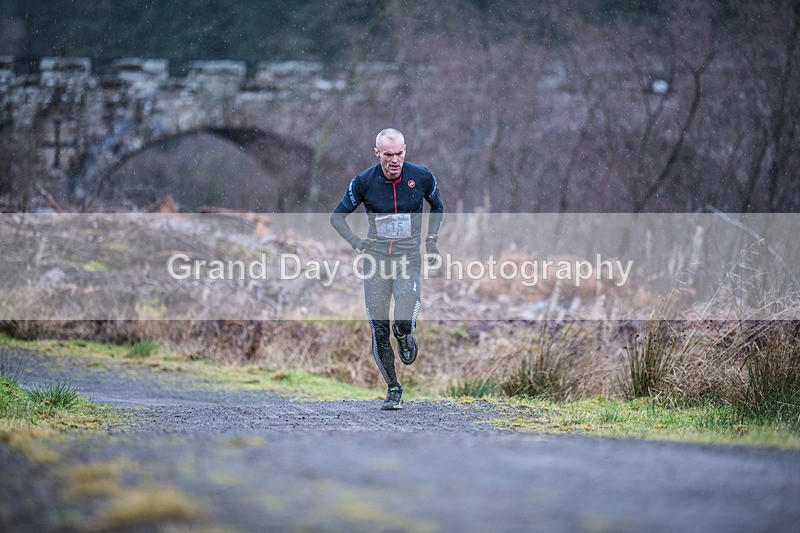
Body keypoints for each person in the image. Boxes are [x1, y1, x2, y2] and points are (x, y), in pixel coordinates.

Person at [330, 128, 443, 410]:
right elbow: (337, 217)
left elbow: (437, 206)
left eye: (399, 153)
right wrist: (358, 243)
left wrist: (431, 239)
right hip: (376, 263)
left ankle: (403, 334)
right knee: (379, 330)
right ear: (377, 153)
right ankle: (393, 388)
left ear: (405, 150)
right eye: (388, 155)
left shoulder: (422, 176)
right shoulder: (364, 181)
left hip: (407, 260)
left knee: (402, 320)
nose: (395, 160)